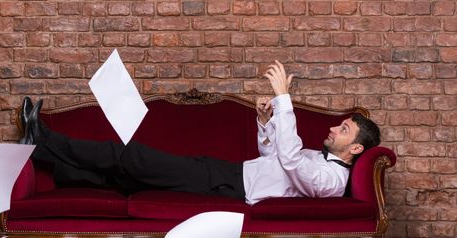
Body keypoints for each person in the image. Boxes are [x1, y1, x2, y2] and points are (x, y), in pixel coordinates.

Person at [20, 61, 380, 205]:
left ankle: (44, 139)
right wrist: (265, 122)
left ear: (358, 148)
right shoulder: (320, 159)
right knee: (126, 179)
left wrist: (285, 99)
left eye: (344, 128)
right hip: (226, 172)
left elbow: (289, 159)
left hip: (228, 187)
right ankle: (40, 154)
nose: (334, 127)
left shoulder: (332, 180)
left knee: (132, 156)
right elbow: (276, 158)